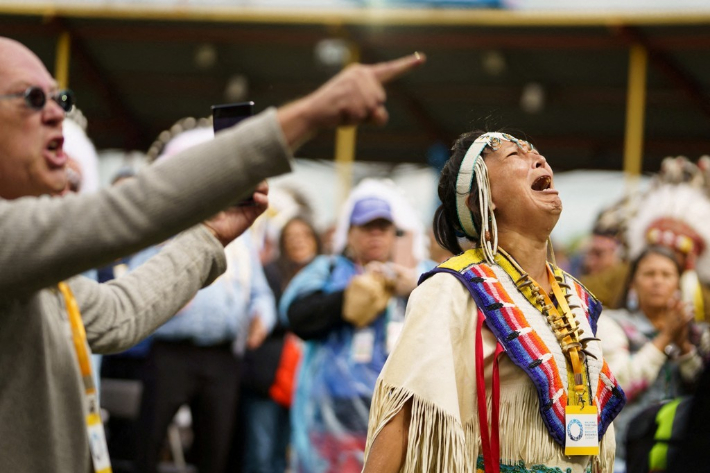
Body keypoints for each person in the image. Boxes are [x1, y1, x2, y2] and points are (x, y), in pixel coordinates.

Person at [0, 35, 425, 473]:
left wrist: (208, 236)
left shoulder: (31, 269)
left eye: (59, 97)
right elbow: (121, 213)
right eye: (32, 98)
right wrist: (311, 113)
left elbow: (115, 314)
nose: (55, 113)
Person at [362, 131, 626, 473]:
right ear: (480, 199)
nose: (539, 159)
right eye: (515, 155)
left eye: (536, 152)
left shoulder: (575, 297)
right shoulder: (452, 289)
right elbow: (404, 415)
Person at [131, 125, 277, 473]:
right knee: (147, 442)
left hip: (223, 357)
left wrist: (261, 316)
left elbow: (260, 294)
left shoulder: (240, 238)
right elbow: (136, 273)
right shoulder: (166, 226)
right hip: (171, 353)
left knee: (216, 450)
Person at [281, 190, 434, 473]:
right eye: (366, 228)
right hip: (333, 416)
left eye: (383, 228)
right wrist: (345, 300)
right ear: (350, 234)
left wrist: (415, 287)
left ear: (394, 234)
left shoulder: (421, 276)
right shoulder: (327, 270)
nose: (375, 235)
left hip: (397, 413)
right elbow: (296, 316)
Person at [598, 246, 709, 470]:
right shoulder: (612, 324)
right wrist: (664, 337)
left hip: (683, 454)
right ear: (632, 283)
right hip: (626, 454)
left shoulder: (697, 332)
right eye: (649, 274)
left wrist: (684, 347)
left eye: (666, 274)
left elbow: (702, 391)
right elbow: (616, 386)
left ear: (678, 283)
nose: (657, 281)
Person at [239, 216, 323, 473]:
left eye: (305, 235)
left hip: (304, 382)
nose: (298, 242)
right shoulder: (270, 274)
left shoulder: (327, 275)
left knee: (285, 455)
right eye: (291, 237)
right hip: (267, 380)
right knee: (261, 453)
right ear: (282, 243)